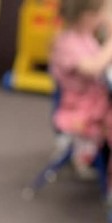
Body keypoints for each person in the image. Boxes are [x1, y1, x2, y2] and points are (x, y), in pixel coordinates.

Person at [49, 0, 112, 178]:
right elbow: (93, 67)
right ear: (84, 16)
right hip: (80, 111)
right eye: (98, 14)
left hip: (95, 103)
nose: (101, 18)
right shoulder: (67, 43)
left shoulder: (86, 36)